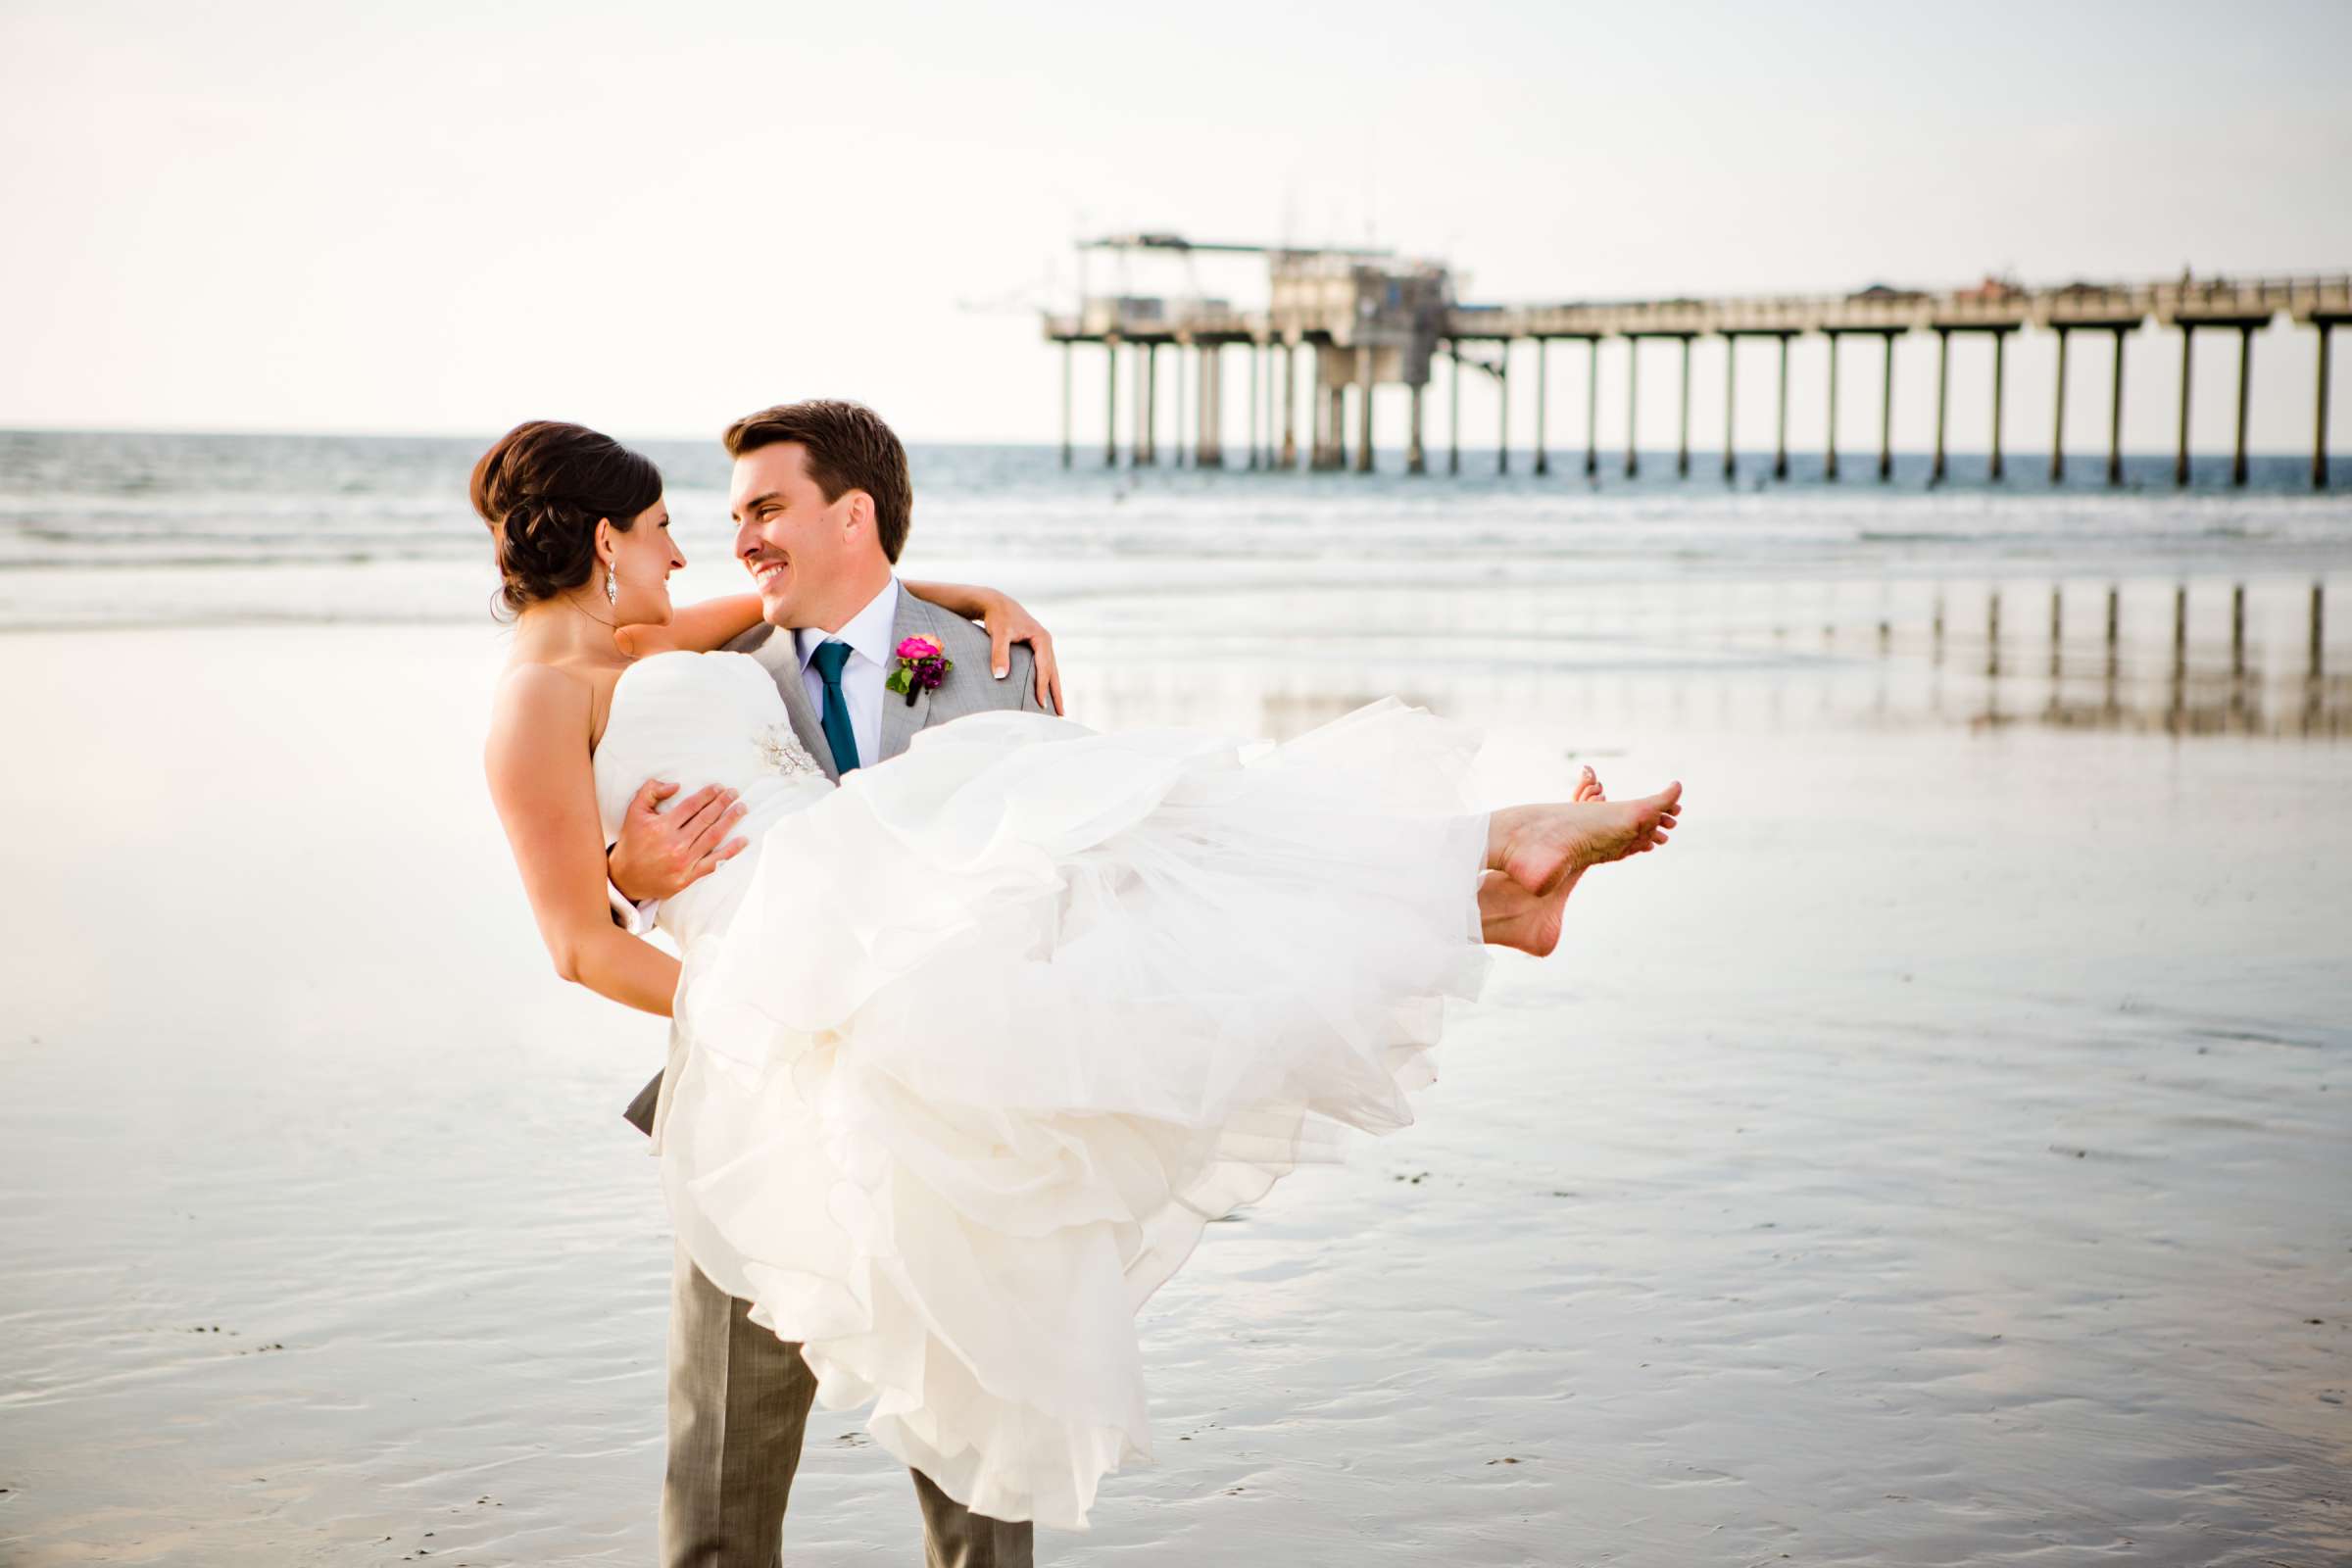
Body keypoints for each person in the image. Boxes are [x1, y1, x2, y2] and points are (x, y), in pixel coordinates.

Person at [479, 404, 1683, 1558]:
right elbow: (576, 936)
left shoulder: (737, 645)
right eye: (662, 531)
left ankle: (1483, 875)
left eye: (751, 510)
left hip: (932, 992)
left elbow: (812, 605)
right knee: (728, 1454)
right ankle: (1487, 879)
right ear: (603, 544)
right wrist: (698, 939)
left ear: (848, 516)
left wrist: (959, 594)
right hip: (767, 1049)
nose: (692, 549)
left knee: (1137, 867)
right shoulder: (563, 687)